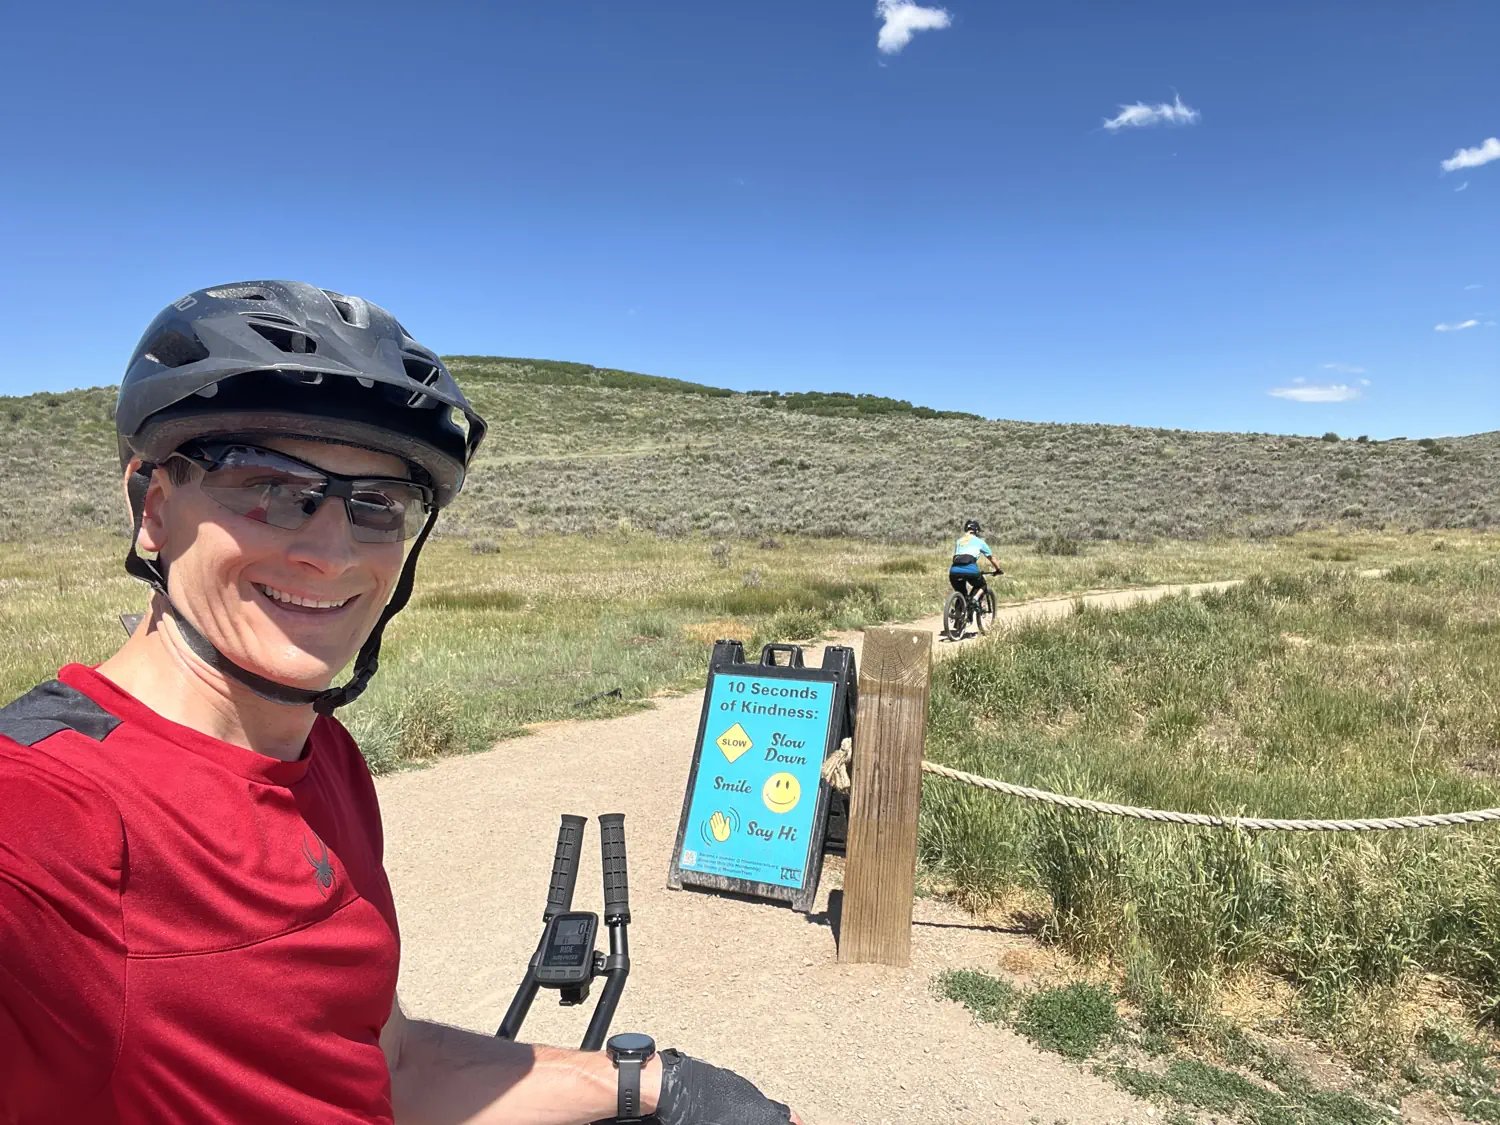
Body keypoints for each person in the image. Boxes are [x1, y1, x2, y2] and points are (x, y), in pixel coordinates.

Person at [0, 281, 801, 1125]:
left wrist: (647, 1082)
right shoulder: (55, 815)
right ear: (154, 508)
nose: (332, 551)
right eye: (270, 486)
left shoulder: (326, 759)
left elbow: (391, 1064)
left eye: (378, 505)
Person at [949, 518, 1003, 602]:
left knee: (961, 593)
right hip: (970, 569)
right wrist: (998, 569)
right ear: (976, 531)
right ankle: (975, 599)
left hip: (954, 571)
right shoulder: (980, 542)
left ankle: (958, 611)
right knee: (983, 585)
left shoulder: (959, 541)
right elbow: (991, 558)